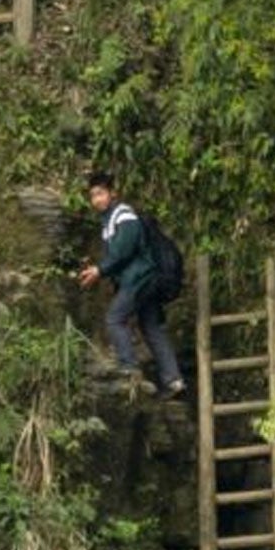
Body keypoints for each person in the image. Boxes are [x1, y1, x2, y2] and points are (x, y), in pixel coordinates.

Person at [77, 170, 184, 398]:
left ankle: (129, 370)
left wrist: (99, 269)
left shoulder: (123, 215)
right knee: (151, 326)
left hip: (140, 278)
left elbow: (123, 250)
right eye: (93, 196)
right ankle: (173, 380)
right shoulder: (109, 220)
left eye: (100, 194)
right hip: (145, 278)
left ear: (112, 193)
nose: (97, 200)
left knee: (115, 318)